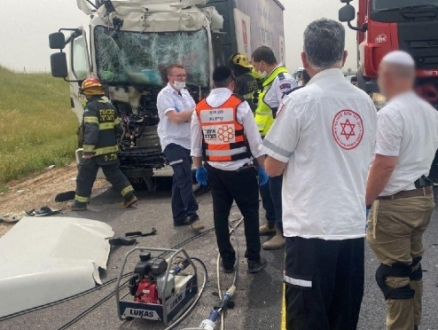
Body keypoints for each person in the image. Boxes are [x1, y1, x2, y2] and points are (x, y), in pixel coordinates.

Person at [260, 18, 377, 329]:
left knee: (307, 318)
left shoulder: (298, 101)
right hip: (351, 229)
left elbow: (273, 166)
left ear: (304, 59)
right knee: (344, 316)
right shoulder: (365, 102)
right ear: (343, 57)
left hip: (311, 232)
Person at [366, 51, 438, 330]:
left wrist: (364, 201)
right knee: (411, 268)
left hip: (395, 204)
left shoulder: (391, 114)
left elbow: (384, 165)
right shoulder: (430, 112)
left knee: (393, 276)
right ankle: (413, 324)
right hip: (423, 198)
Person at [191, 66, 268, 274]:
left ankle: (227, 261)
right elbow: (255, 142)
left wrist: (199, 169)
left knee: (220, 215)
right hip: (241, 170)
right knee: (251, 214)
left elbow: (196, 146)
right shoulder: (239, 106)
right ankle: (253, 260)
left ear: (213, 84)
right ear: (232, 83)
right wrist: (263, 167)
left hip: (215, 172)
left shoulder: (199, 108)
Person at [251, 46, 298, 250]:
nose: (254, 69)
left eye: (254, 64)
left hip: (276, 144)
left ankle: (282, 230)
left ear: (262, 62)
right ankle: (271, 221)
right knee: (265, 186)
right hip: (265, 143)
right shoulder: (270, 80)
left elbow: (287, 113)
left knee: (276, 188)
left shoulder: (283, 80)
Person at [68, 77, 137, 211]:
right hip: (110, 150)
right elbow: (119, 129)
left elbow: (91, 130)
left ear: (88, 93)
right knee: (115, 174)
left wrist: (87, 151)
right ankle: (129, 196)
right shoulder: (109, 106)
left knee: (84, 176)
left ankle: (80, 203)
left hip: (95, 152)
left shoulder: (91, 108)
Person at [156, 64, 204, 232]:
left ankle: (178, 217)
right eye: (178, 76)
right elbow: (176, 118)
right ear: (170, 78)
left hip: (187, 141)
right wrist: (193, 112)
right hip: (172, 141)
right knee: (184, 177)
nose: (182, 79)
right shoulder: (164, 95)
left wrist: (190, 114)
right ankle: (193, 215)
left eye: (184, 75)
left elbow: (194, 115)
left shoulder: (185, 93)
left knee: (178, 180)